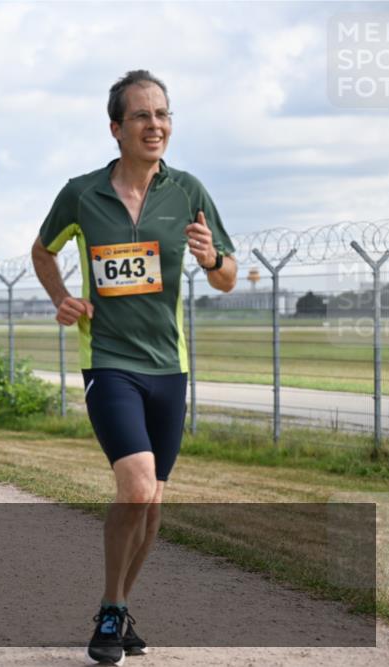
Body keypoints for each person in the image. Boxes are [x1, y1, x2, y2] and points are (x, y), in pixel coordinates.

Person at [31, 70, 237, 665]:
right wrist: (61, 298)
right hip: (109, 362)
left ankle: (118, 605)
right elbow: (43, 249)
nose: (156, 125)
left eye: (164, 114)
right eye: (143, 116)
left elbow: (225, 278)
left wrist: (213, 257)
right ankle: (111, 610)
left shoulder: (189, 190)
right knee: (137, 485)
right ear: (116, 127)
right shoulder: (81, 193)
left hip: (170, 368)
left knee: (153, 503)